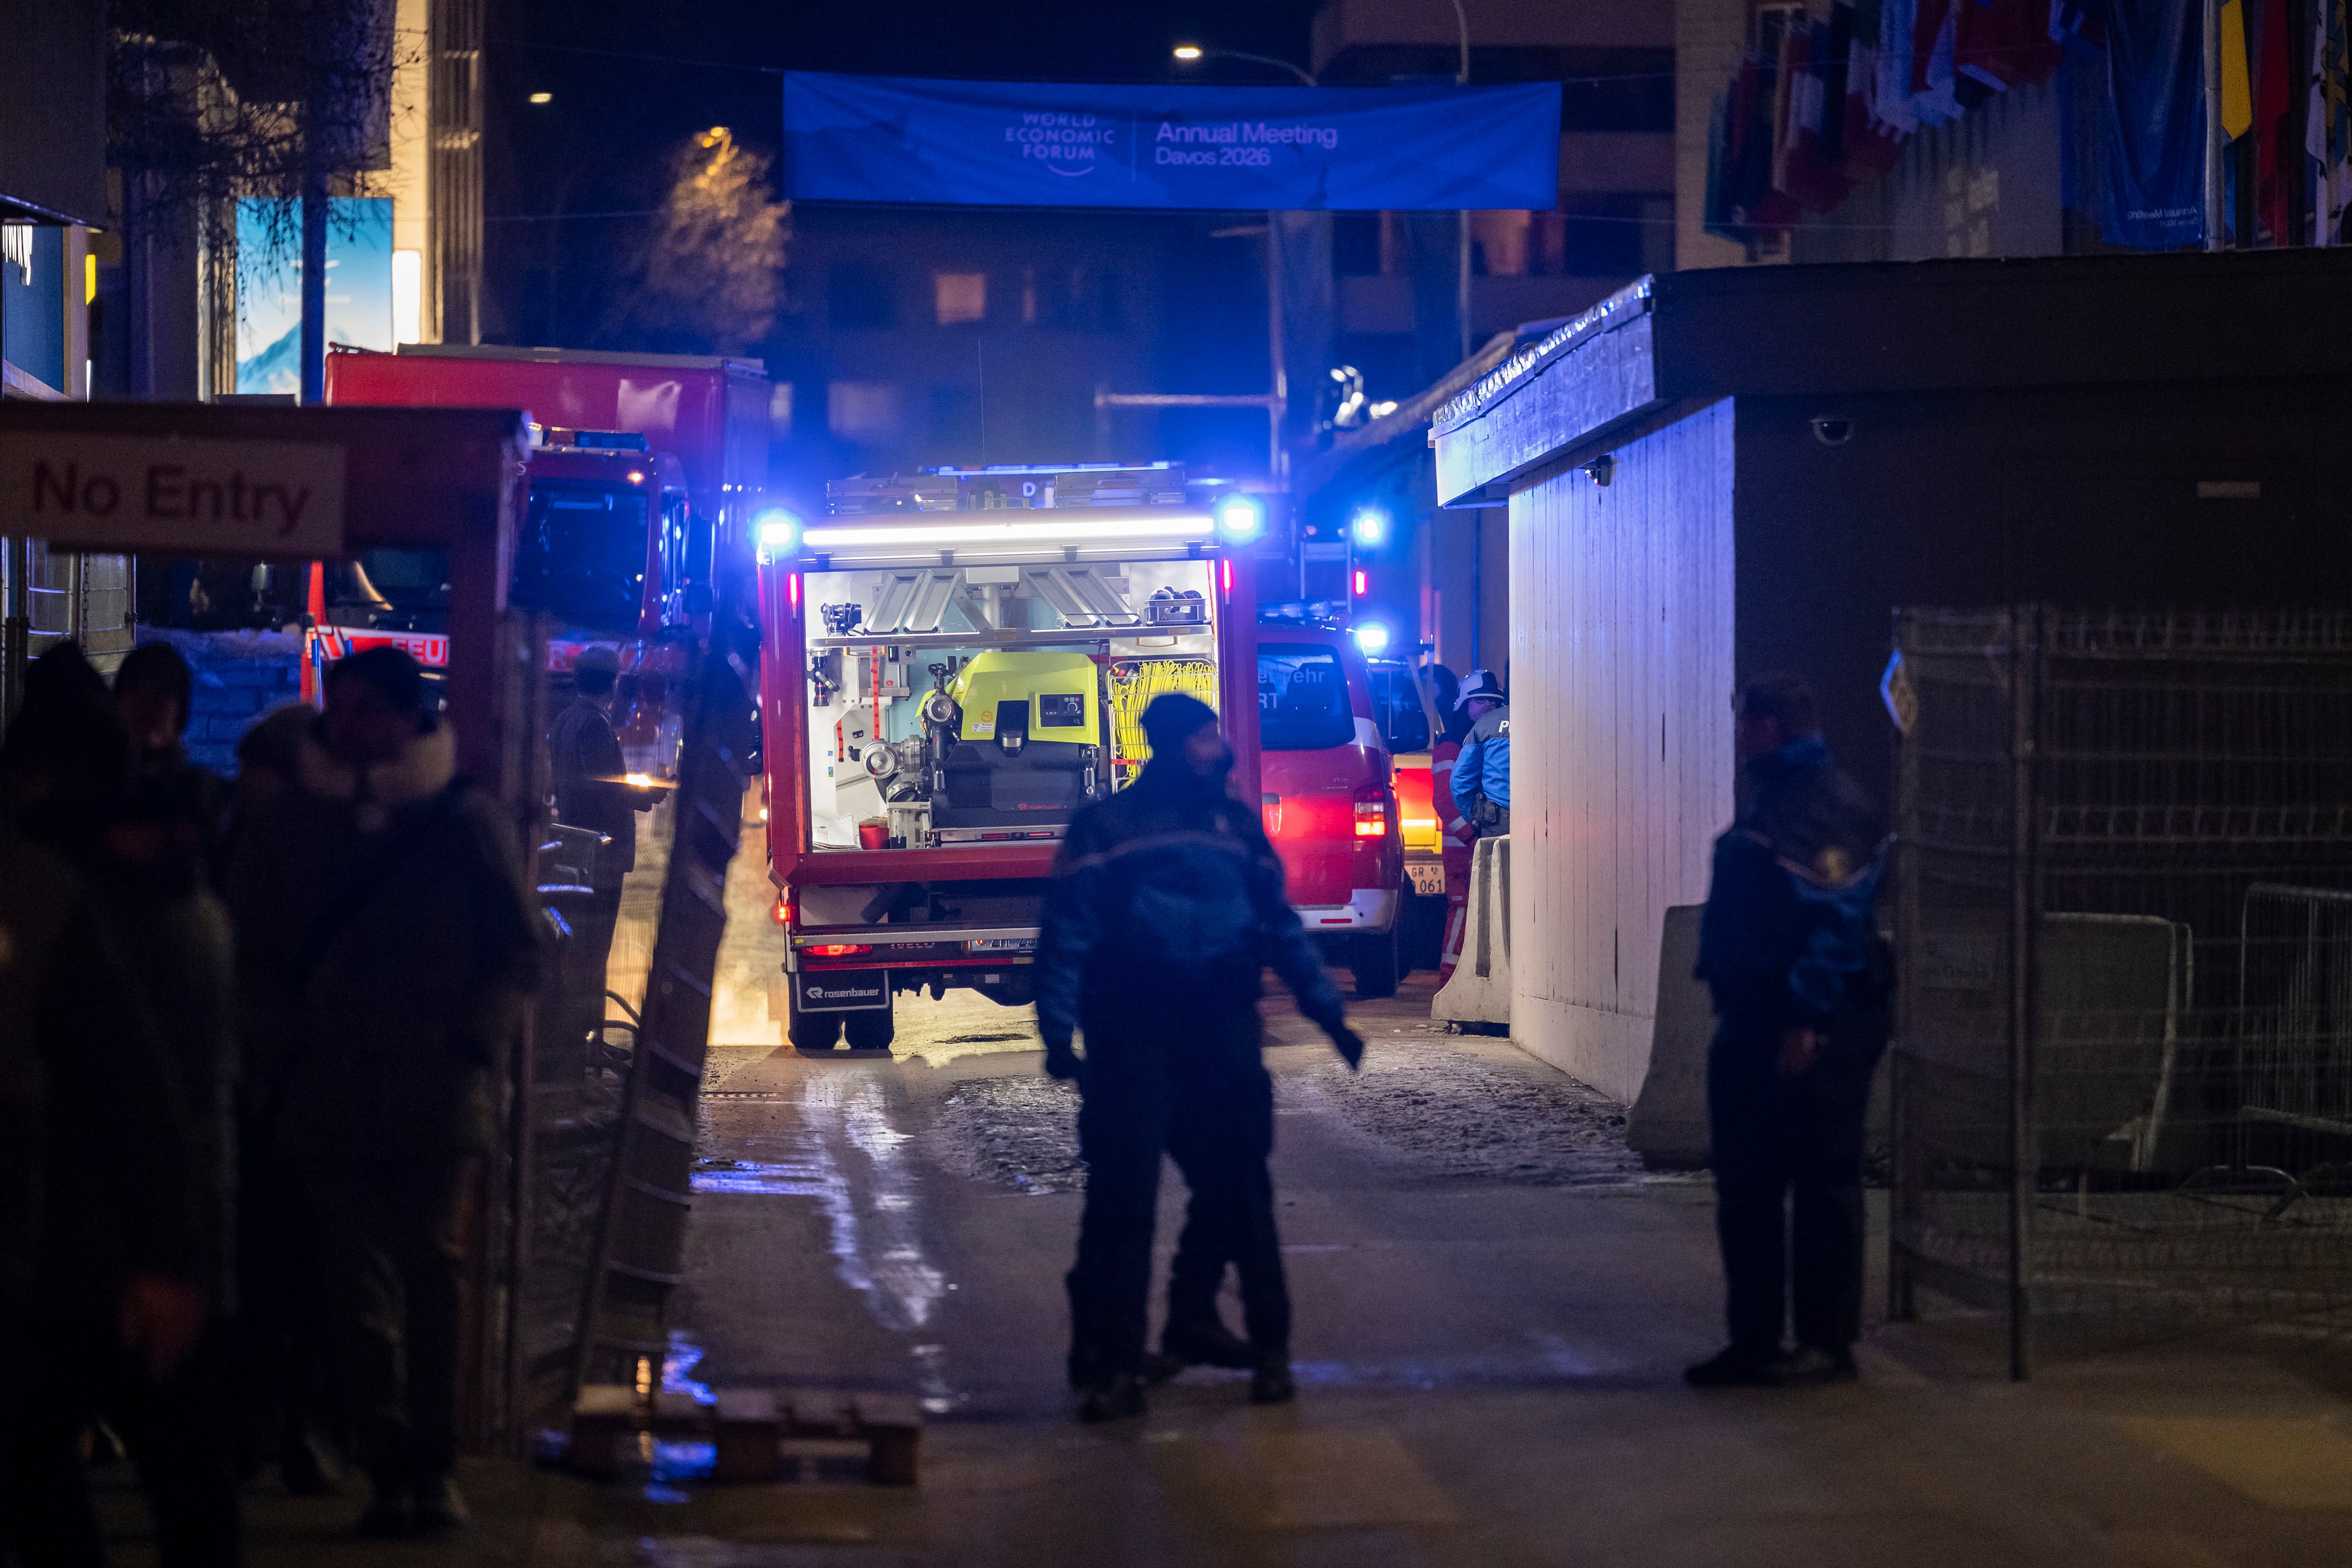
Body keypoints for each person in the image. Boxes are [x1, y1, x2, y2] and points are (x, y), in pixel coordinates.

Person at [229, 647, 540, 1536]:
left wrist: (470, 1040)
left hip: (432, 1084)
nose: (351, 723)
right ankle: (390, 1457)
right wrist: (282, 1042)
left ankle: (427, 1458)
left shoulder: (462, 821)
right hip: (327, 1085)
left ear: (408, 717)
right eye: (343, 706)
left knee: (427, 1271)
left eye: (369, 708)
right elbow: (247, 945)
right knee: (355, 1282)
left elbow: (517, 948)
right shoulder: (291, 826)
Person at [1036, 692, 1365, 1423]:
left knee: (1223, 1195)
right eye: (1208, 735)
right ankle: (1116, 1363)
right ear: (1179, 742)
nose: (1221, 747)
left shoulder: (1175, 827)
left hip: (1188, 1033)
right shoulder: (1131, 826)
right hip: (1154, 1037)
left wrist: (1328, 1014)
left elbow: (1277, 926)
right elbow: (1066, 938)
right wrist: (1057, 1033)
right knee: (1148, 1202)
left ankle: (1207, 1339)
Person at [0, 650, 235, 1568]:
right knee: (178, 1471)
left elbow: (136, 1087)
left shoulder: (70, 905)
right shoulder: (170, 893)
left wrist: (170, 1258)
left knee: (93, 1464)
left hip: (91, 1238)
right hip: (135, 1233)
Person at [1686, 673, 1892, 1389]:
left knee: (1819, 1179)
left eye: (1745, 720)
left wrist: (1806, 1019)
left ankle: (1825, 1343)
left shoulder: (1823, 803)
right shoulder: (1779, 796)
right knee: (1748, 1182)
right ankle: (1756, 1340)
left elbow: (1835, 922)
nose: (1738, 733)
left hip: (1805, 1025)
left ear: (1770, 725)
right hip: (1755, 1017)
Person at [546, 644, 655, 1035]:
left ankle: (577, 1041)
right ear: (613, 684)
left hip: (577, 849)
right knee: (593, 951)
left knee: (578, 948)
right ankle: (582, 1044)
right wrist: (647, 796)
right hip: (602, 853)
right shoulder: (594, 724)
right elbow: (604, 789)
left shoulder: (565, 721)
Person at [114, 641, 230, 881]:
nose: (147, 709)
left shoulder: (204, 795)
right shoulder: (94, 788)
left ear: (180, 711)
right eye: (138, 694)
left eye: (161, 697)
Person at [1450, 669, 1510, 838]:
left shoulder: (1480, 731)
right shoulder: (1450, 744)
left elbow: (1460, 782)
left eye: (1494, 701)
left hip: (1491, 824)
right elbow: (1445, 800)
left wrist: (1475, 821)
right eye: (1481, 699)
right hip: (1464, 841)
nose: (1488, 705)